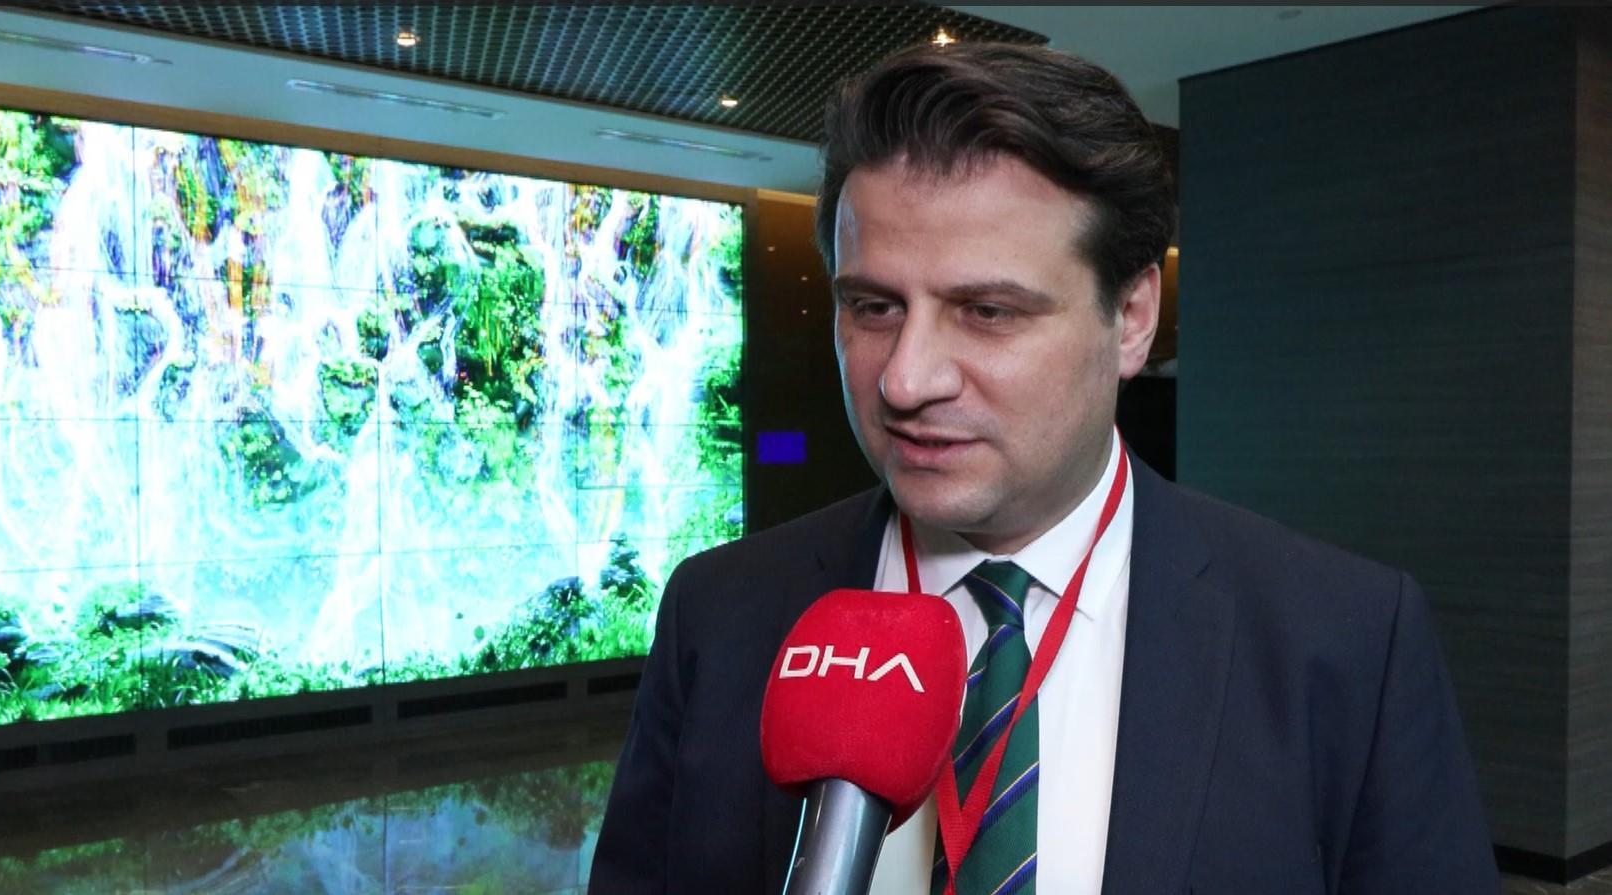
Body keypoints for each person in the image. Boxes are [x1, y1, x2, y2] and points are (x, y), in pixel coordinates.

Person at [590, 41, 1498, 894]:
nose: (905, 379)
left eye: (986, 312)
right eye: (872, 307)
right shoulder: (722, 613)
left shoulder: (1341, 639)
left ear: (1131, 317)